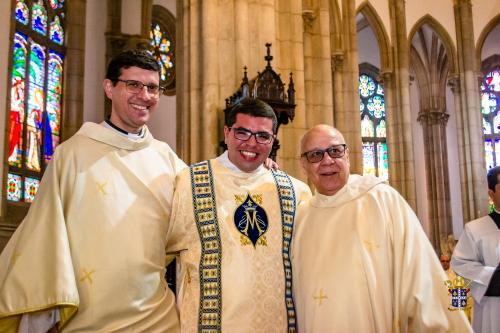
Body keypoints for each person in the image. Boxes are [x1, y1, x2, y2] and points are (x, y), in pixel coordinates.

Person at [0, 50, 184, 332]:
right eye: (133, 85)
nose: (145, 95)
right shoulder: (72, 155)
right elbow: (46, 236)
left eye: (152, 87)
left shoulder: (167, 160)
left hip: (157, 319)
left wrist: (260, 170)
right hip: (87, 319)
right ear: (109, 88)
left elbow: (208, 200)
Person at [292, 124, 472, 332]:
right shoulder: (300, 217)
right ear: (303, 165)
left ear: (347, 155)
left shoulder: (382, 200)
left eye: (335, 151)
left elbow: (421, 278)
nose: (328, 161)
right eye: (316, 155)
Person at [167, 98, 311, 332]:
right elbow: (162, 252)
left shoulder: (295, 192)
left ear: (273, 140)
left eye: (263, 136)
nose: (252, 143)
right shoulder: (189, 183)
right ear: (227, 132)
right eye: (242, 133)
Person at [451, 166, 500, 333]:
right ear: (491, 194)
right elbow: (460, 265)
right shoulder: (475, 229)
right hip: (493, 307)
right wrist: (493, 277)